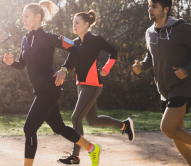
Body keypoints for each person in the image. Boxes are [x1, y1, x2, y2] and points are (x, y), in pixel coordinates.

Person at [3, 1, 102, 166]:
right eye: (22, 17)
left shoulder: (49, 37)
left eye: (26, 17)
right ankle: (92, 148)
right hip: (39, 90)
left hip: (49, 88)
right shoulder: (25, 39)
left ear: (37, 17)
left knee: (29, 128)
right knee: (59, 127)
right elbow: (22, 64)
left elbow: (74, 48)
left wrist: (64, 69)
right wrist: (12, 63)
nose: (23, 20)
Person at [132, 0, 191, 165]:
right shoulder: (150, 32)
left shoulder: (181, 29)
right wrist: (142, 67)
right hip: (164, 91)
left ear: (165, 9)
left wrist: (187, 69)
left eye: (154, 6)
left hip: (182, 88)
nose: (149, 10)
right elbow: (151, 57)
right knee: (176, 134)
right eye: (149, 6)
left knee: (167, 128)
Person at [57, 10, 135, 166]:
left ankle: (75, 156)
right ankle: (125, 124)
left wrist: (107, 68)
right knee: (92, 120)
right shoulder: (74, 43)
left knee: (76, 117)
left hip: (93, 84)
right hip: (81, 84)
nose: (74, 24)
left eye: (77, 22)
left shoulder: (96, 39)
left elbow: (114, 52)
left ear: (86, 24)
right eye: (73, 22)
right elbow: (71, 65)